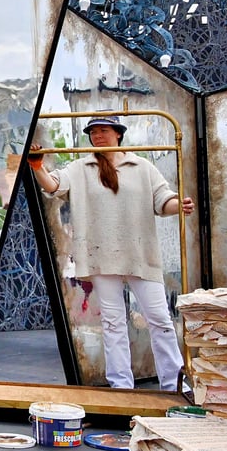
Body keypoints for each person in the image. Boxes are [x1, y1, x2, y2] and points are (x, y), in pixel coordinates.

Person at [29, 115, 194, 391]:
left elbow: (162, 201)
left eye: (103, 130)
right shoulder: (82, 167)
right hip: (102, 255)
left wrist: (179, 205)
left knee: (161, 320)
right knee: (113, 324)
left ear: (118, 133)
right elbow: (54, 185)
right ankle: (121, 387)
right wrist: (38, 167)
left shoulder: (142, 166)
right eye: (93, 132)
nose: (97, 136)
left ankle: (175, 384)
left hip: (139, 253)